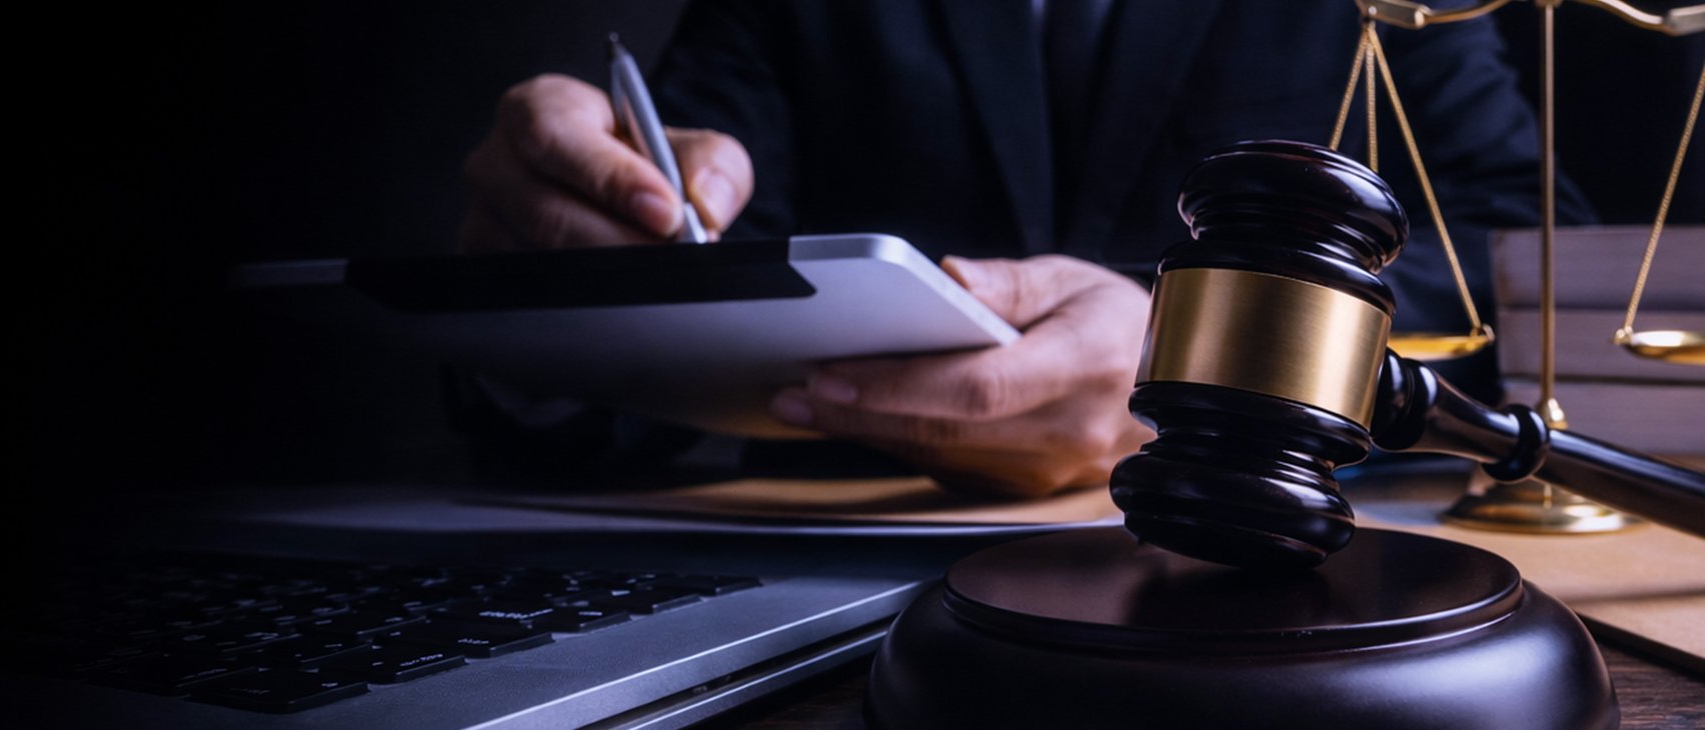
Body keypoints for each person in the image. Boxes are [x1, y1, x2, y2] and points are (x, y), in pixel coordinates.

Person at [456, 0, 1588, 498]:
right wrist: (555, 272)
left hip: (1270, 583)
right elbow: (691, 279)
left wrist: (1197, 351)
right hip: (838, 588)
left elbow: (1529, 259)